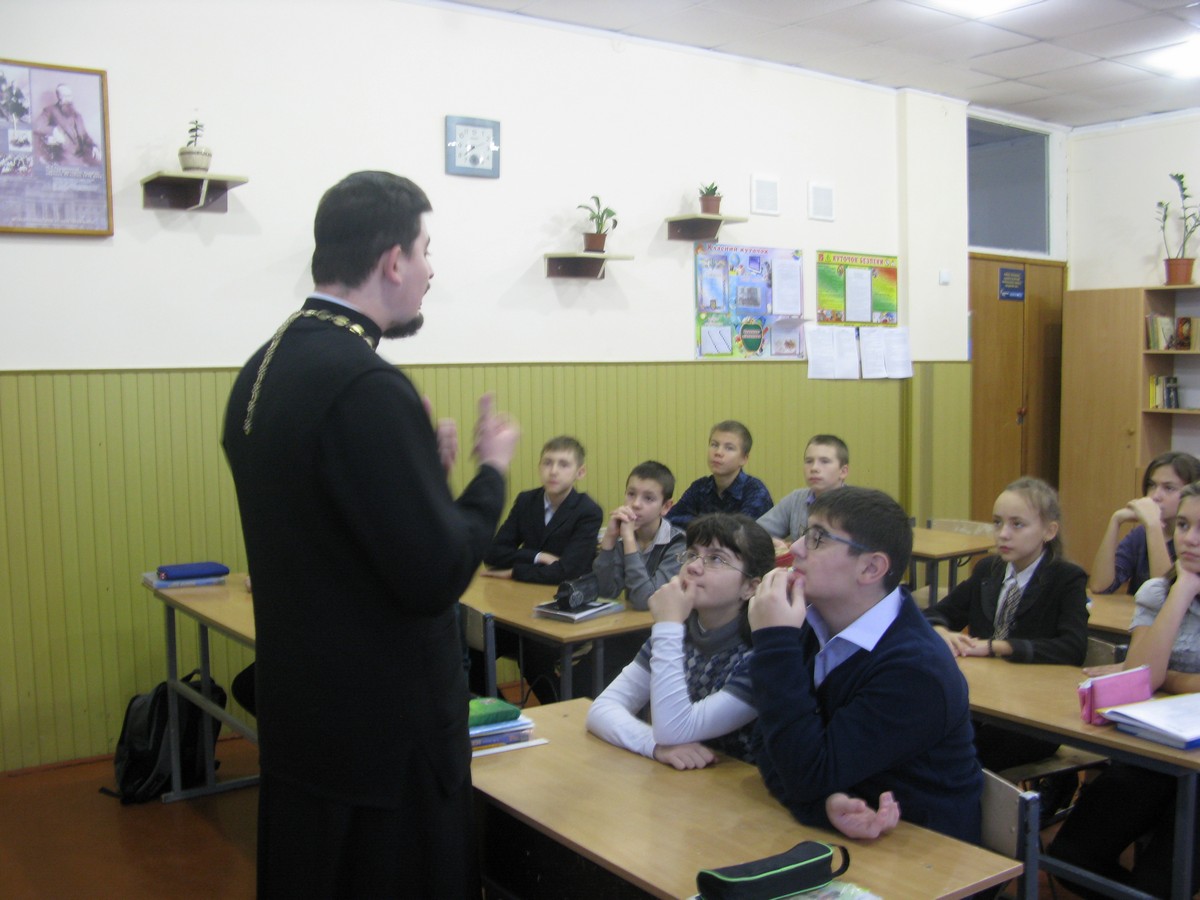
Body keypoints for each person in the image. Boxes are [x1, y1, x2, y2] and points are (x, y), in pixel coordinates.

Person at [221, 171, 519, 898]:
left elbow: (339, 530)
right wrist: (490, 475)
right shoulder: (366, 384)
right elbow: (435, 574)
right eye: (425, 250)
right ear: (392, 261)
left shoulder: (266, 366)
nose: (430, 270)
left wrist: (420, 482)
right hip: (385, 742)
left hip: (306, 717)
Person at [749, 486, 982, 843]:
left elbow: (804, 773)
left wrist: (774, 642)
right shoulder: (812, 622)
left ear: (871, 567)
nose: (796, 548)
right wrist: (823, 806)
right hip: (851, 835)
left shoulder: (915, 671)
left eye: (818, 538)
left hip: (921, 852)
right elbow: (769, 746)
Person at [1049, 480, 1200, 899]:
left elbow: (1152, 675)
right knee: (1070, 858)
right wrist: (1183, 590)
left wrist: (1168, 677)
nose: (1189, 539)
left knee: (1159, 883)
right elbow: (1140, 679)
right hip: (1155, 751)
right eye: (1183, 525)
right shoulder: (1158, 591)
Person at [925, 477, 1088, 774]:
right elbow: (936, 614)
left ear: (1049, 531)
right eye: (997, 522)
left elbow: (1072, 648)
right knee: (928, 737)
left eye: (1017, 525)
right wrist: (940, 631)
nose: (1003, 534)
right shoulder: (988, 569)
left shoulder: (1066, 578)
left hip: (1033, 715)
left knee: (962, 757)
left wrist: (996, 647)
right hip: (982, 700)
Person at [586, 513, 776, 768]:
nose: (694, 566)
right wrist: (653, 746)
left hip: (739, 786)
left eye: (716, 559)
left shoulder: (762, 653)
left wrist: (667, 626)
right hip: (683, 779)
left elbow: (674, 729)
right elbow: (602, 709)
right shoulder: (680, 630)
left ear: (750, 587)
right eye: (692, 554)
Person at [481, 435, 602, 585]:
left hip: (564, 593)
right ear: (539, 467)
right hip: (524, 589)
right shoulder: (526, 501)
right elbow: (493, 554)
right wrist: (538, 556)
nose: (553, 471)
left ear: (580, 472)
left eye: (563, 465)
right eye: (547, 463)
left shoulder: (588, 511)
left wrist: (515, 572)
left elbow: (569, 571)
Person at [1090, 450, 1200, 595]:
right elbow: (1099, 586)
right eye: (1152, 485)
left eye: (1169, 488)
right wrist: (1115, 521)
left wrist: (1153, 526)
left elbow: (1165, 597)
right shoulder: (1141, 534)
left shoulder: (1190, 542)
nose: (1155, 496)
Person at [593, 460, 685, 610]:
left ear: (666, 506)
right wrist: (609, 540)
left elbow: (647, 602)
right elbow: (605, 592)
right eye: (631, 494)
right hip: (633, 621)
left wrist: (629, 541)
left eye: (648, 498)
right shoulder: (623, 536)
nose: (636, 504)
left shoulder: (679, 544)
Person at [667, 420, 773, 527]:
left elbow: (740, 531)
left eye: (729, 448)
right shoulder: (700, 487)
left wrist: (699, 523)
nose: (718, 452)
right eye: (714, 445)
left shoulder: (755, 491)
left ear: (744, 459)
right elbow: (669, 519)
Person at [758, 433, 849, 551]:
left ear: (843, 471)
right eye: (809, 461)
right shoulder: (796, 499)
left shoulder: (857, 506)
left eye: (824, 461)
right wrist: (770, 542)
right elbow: (752, 532)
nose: (814, 468)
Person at [33, 84, 100, 165]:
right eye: (66, 96)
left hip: (83, 153)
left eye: (70, 96)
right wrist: (53, 130)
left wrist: (93, 146)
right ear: (59, 97)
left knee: (99, 163)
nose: (69, 99)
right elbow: (37, 126)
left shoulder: (77, 115)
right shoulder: (50, 110)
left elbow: (85, 135)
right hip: (64, 155)